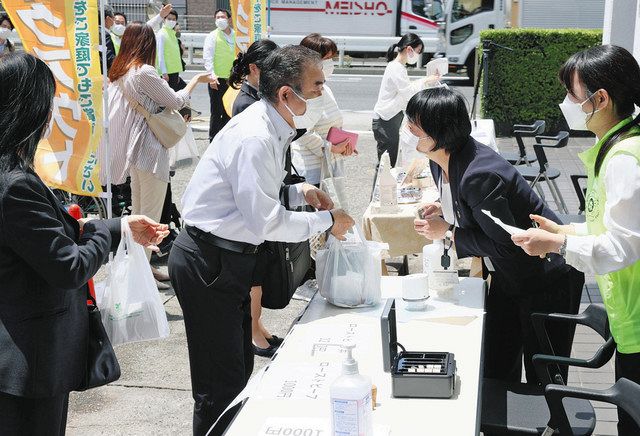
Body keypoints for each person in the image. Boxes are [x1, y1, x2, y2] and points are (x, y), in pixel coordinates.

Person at [168, 45, 355, 435]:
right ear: (287, 94)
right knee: (218, 385)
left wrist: (298, 192)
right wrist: (326, 220)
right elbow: (266, 221)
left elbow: (254, 198)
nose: (322, 90)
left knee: (238, 370)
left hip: (227, 256)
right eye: (316, 84)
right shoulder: (255, 134)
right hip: (208, 260)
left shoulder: (272, 125)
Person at [0, 52, 169, 436]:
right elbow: (67, 267)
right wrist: (101, 233)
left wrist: (116, 226)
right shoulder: (15, 183)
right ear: (29, 109)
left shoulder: (12, 173)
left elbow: (32, 241)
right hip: (27, 362)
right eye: (49, 104)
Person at [408, 87, 585, 386]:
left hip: (547, 277)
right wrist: (442, 207)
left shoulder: (479, 173)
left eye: (416, 125)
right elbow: (472, 209)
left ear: (440, 131)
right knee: (497, 363)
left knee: (545, 372)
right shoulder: (443, 161)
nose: (410, 130)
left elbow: (506, 244)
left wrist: (449, 232)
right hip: (509, 277)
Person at [511, 44, 640, 435]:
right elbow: (610, 228)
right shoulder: (613, 148)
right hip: (628, 317)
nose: (566, 102)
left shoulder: (624, 159)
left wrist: (557, 245)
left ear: (600, 99)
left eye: (572, 93)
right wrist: (563, 230)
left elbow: (623, 246)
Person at [101, 22, 214, 287]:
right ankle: (139, 280)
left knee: (138, 214)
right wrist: (196, 80)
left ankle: (143, 271)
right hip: (151, 150)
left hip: (135, 149)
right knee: (149, 219)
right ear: (148, 44)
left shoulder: (121, 73)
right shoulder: (144, 72)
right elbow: (175, 102)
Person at [228, 38, 285, 357]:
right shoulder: (247, 103)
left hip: (257, 193)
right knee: (254, 275)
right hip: (247, 202)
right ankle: (252, 333)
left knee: (258, 272)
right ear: (253, 69)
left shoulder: (255, 97)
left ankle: (257, 327)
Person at [290, 33, 355, 187]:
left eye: (331, 58)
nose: (330, 63)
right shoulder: (301, 91)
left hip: (330, 166)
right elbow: (303, 131)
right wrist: (331, 148)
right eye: (326, 59)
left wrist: (344, 144)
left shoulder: (325, 88)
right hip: (312, 170)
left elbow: (332, 123)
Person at [373, 33, 440, 167]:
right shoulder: (396, 68)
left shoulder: (398, 67)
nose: (418, 55)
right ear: (409, 49)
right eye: (418, 51)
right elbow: (408, 92)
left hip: (390, 118)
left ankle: (384, 187)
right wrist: (426, 80)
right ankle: (381, 188)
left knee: (388, 163)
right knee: (386, 165)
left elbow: (407, 91)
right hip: (385, 120)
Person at [203, 9, 236, 142]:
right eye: (217, 17)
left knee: (230, 110)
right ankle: (213, 139)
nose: (220, 19)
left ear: (229, 19)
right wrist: (211, 76)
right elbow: (207, 58)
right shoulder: (212, 36)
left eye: (223, 17)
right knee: (217, 112)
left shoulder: (237, 35)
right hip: (217, 80)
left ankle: (225, 139)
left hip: (233, 80)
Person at [229, 39, 278, 116]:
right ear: (253, 68)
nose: (277, 75)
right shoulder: (246, 105)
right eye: (271, 70)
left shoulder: (261, 93)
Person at [157, 10, 186, 91]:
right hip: (167, 74)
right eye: (169, 19)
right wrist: (163, 72)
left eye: (174, 19)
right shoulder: (161, 34)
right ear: (164, 19)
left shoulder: (172, 34)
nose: (171, 21)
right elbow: (160, 54)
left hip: (174, 72)